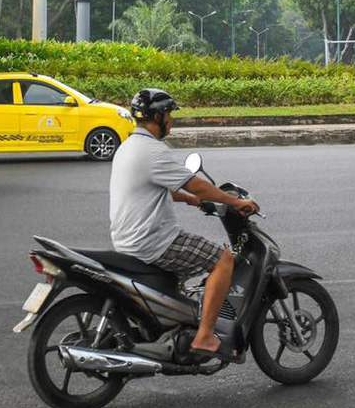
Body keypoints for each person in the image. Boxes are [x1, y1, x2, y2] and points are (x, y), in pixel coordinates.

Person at [109, 88, 259, 361]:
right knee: (223, 260)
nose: (172, 121)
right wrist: (235, 203)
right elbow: (197, 184)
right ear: (157, 116)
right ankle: (204, 336)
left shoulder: (128, 147)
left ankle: (173, 324)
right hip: (154, 241)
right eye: (169, 114)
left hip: (126, 239)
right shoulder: (154, 151)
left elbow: (158, 188)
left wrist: (191, 201)